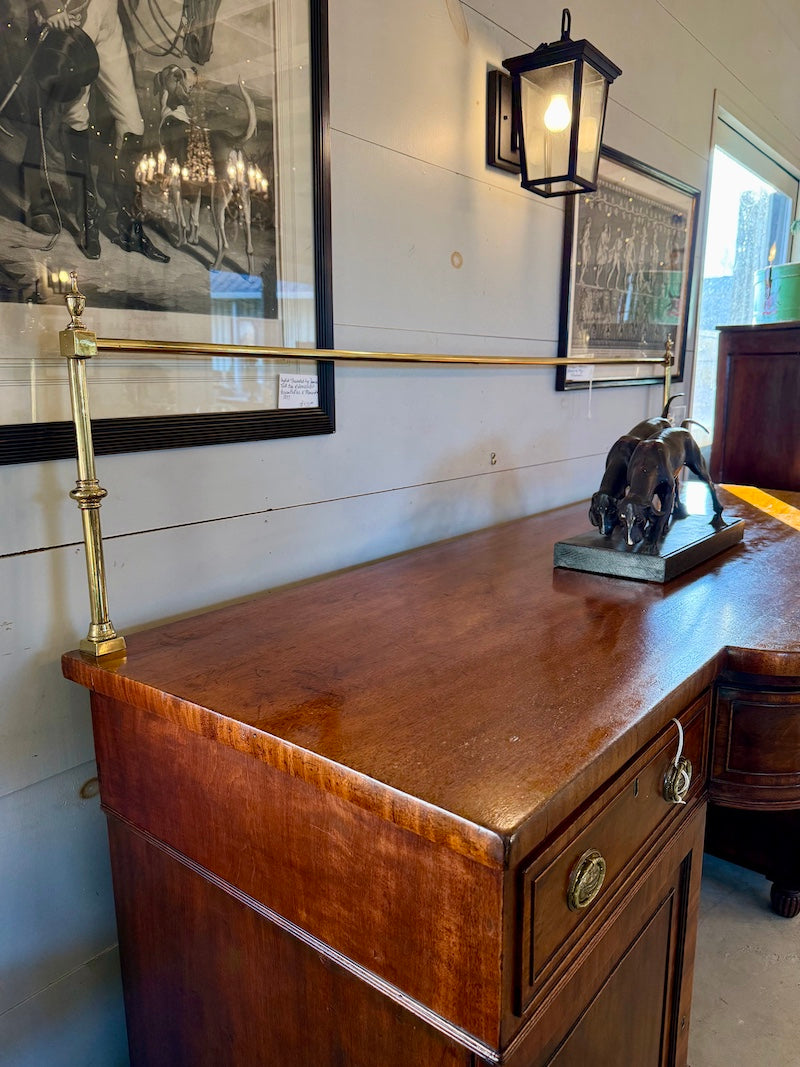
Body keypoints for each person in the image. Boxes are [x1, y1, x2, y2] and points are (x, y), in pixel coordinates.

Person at [25, 0, 169, 261]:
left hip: (109, 16)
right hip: (77, 17)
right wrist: (52, 7)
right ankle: (87, 220)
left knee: (132, 123)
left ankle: (129, 226)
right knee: (76, 118)